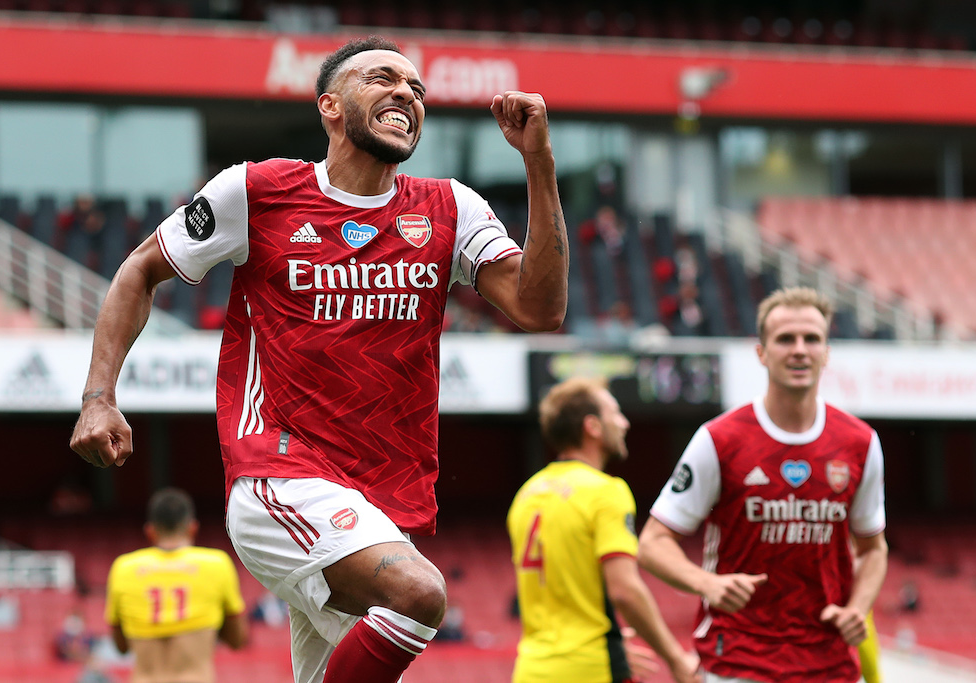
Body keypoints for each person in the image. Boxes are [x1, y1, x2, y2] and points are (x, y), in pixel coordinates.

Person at [71, 35, 568, 683]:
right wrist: (99, 396)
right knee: (419, 596)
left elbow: (540, 309)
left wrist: (540, 163)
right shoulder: (256, 191)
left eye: (417, 88)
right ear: (330, 106)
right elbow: (139, 269)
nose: (406, 94)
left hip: (380, 497)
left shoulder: (451, 209)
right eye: (383, 78)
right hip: (278, 472)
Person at [638, 287, 888, 683]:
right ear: (761, 353)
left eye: (812, 339)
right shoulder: (719, 439)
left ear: (826, 352)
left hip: (830, 663)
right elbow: (652, 543)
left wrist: (858, 608)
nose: (800, 350)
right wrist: (707, 584)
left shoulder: (859, 443)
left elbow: (873, 548)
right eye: (785, 339)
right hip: (738, 660)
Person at [507, 377, 700, 683]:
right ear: (593, 427)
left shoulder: (527, 494)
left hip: (531, 669)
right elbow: (624, 590)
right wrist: (676, 659)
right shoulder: (606, 491)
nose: (624, 423)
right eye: (615, 414)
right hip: (590, 669)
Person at [104, 488, 248, 683]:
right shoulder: (217, 564)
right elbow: (237, 640)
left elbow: (121, 647)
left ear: (150, 531)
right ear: (193, 527)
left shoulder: (123, 568)